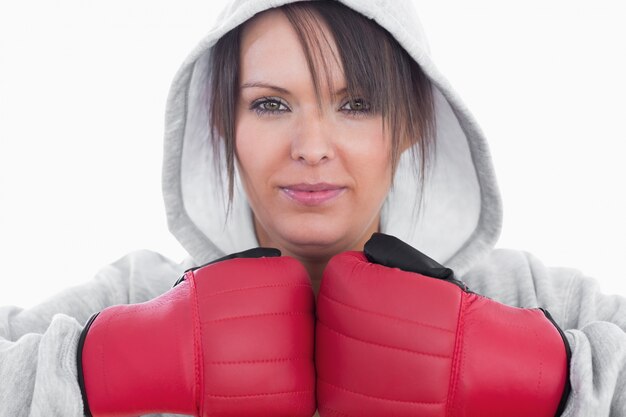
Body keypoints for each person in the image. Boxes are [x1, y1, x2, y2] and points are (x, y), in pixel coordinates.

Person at [0, 0, 624, 416]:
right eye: (271, 104)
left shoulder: (523, 296)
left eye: (356, 105)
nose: (312, 148)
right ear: (223, 125)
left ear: (410, 126)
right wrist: (97, 364)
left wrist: (552, 371)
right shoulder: (138, 295)